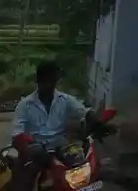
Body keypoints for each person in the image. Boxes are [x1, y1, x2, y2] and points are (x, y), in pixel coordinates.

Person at [10, 60, 96, 191]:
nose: (49, 85)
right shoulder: (25, 104)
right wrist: (24, 144)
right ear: (38, 81)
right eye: (45, 81)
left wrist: (95, 118)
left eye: (52, 81)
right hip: (36, 148)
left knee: (81, 165)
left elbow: (84, 112)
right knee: (27, 173)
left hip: (60, 146)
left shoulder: (65, 100)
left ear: (57, 81)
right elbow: (17, 132)